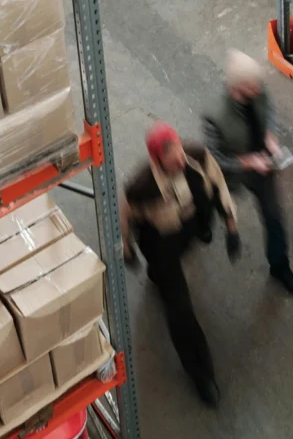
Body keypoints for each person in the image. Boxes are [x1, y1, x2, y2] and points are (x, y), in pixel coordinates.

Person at [120, 122, 241, 407]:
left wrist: (232, 226)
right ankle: (201, 373)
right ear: (156, 160)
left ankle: (163, 272)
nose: (178, 161)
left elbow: (219, 184)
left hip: (189, 225)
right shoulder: (142, 187)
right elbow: (125, 218)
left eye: (178, 152)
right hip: (161, 240)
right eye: (170, 159)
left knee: (205, 204)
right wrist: (127, 249)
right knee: (179, 310)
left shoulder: (197, 156)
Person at [203, 50, 293, 297]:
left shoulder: (258, 91)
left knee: (274, 217)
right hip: (231, 174)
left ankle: (280, 267)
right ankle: (202, 224)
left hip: (262, 168)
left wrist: (269, 134)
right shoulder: (214, 115)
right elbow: (214, 158)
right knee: (211, 202)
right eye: (253, 86)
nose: (260, 89)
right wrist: (246, 162)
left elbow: (267, 110)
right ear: (237, 87)